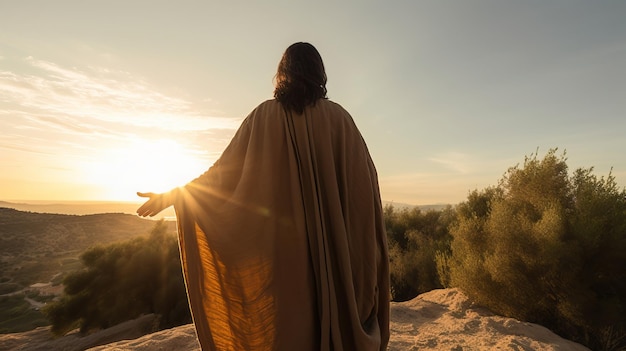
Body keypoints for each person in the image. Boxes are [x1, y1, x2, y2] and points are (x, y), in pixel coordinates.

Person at [137, 42, 389, 351]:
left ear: (283, 74)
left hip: (284, 260)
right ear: (319, 74)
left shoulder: (262, 118)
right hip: (338, 264)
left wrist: (174, 196)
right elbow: (366, 194)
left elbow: (220, 176)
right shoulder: (342, 121)